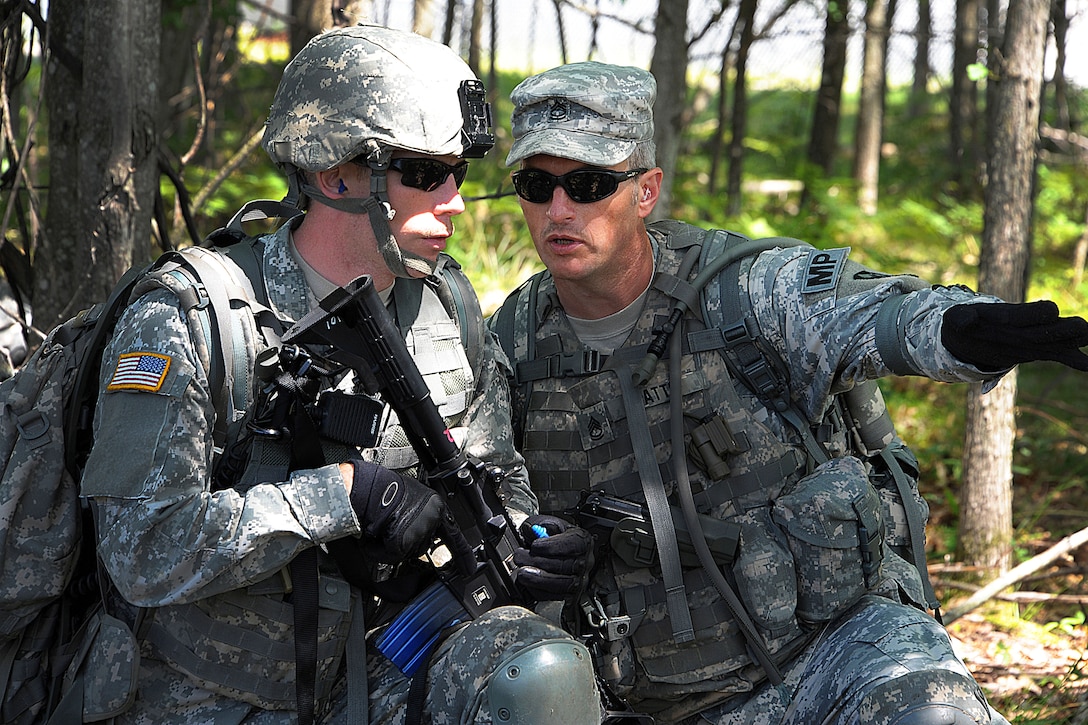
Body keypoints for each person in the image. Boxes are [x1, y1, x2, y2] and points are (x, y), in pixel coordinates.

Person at [488, 60, 1088, 725]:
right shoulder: (510, 345)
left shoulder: (740, 290)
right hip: (661, 705)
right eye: (536, 185)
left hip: (838, 656)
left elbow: (866, 313)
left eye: (589, 183)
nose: (559, 209)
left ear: (647, 190)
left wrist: (961, 330)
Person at [77, 26, 600, 724]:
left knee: (541, 677)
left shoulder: (447, 306)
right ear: (336, 174)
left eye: (458, 173)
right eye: (422, 174)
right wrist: (342, 496)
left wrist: (525, 534)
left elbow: (495, 473)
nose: (454, 202)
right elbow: (140, 550)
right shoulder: (194, 316)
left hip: (382, 665)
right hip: (215, 695)